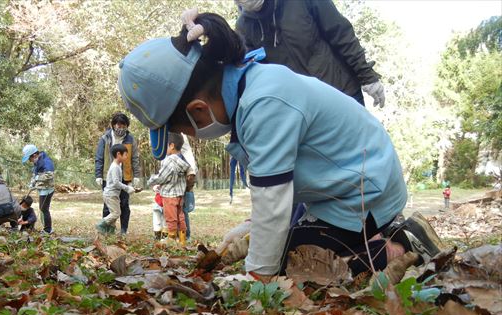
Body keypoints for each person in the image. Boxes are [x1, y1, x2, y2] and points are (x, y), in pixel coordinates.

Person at [118, 10, 442, 280]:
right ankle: (372, 239)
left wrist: (257, 279)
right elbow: (285, 188)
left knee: (299, 262)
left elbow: (273, 204)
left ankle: (401, 248)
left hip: (365, 192)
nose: (189, 138)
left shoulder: (263, 103)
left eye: (182, 131)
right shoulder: (253, 88)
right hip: (348, 188)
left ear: (198, 110)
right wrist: (250, 229)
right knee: (282, 243)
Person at [235, 0, 385, 108]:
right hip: (307, 110)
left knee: (364, 149)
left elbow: (340, 33)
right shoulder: (244, 27)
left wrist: (366, 76)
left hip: (342, 91)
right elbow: (257, 76)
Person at [95, 112, 141, 235]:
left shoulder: (130, 139)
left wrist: (136, 175)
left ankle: (123, 230)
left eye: (123, 125)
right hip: (108, 175)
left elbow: (134, 158)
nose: (120, 128)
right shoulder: (105, 138)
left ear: (127, 126)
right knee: (109, 204)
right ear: (113, 125)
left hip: (125, 175)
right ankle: (107, 230)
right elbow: (99, 157)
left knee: (124, 204)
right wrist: (98, 175)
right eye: (118, 125)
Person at [147, 132, 192, 246]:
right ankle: (182, 239)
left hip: (169, 195)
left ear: (171, 146)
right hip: (180, 195)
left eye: (165, 145)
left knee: (170, 217)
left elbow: (162, 177)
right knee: (180, 216)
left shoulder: (169, 160)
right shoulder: (183, 161)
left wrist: (151, 180)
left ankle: (171, 239)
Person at [97, 144, 135, 234]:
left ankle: (110, 234)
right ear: (118, 154)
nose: (126, 157)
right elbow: (116, 182)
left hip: (113, 194)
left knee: (114, 213)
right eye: (125, 154)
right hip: (111, 194)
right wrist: (127, 188)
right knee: (116, 213)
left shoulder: (118, 166)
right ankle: (101, 224)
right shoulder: (115, 167)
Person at [22, 144, 55, 234]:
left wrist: (37, 179)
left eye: (29, 158)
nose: (29, 161)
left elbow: (49, 175)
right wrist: (31, 184)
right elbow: (35, 174)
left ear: (34, 155)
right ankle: (46, 229)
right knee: (42, 209)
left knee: (44, 209)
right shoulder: (37, 162)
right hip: (42, 189)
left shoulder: (46, 161)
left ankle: (48, 230)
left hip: (47, 189)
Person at [180, 133, 197, 240]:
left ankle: (186, 235)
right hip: (181, 177)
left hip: (186, 176)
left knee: (182, 209)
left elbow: (188, 158)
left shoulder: (180, 136)